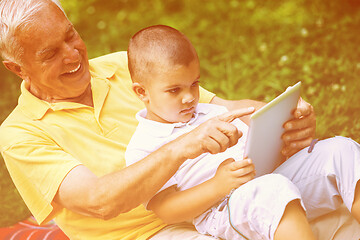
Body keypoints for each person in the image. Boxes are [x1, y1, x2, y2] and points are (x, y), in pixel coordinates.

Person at [0, 0, 349, 239]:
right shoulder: (19, 134)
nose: (73, 53)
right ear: (17, 68)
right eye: (50, 53)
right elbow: (99, 200)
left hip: (222, 195)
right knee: (275, 208)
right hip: (148, 233)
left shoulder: (124, 65)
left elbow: (223, 108)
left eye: (70, 34)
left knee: (342, 198)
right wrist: (182, 147)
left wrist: (287, 113)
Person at [125, 25, 317, 240]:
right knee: (273, 190)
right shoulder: (143, 147)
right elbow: (166, 210)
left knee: (340, 151)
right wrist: (218, 185)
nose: (189, 97)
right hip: (220, 207)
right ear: (142, 92)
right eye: (174, 90)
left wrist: (283, 123)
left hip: (265, 181)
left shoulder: (214, 112)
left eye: (194, 84)